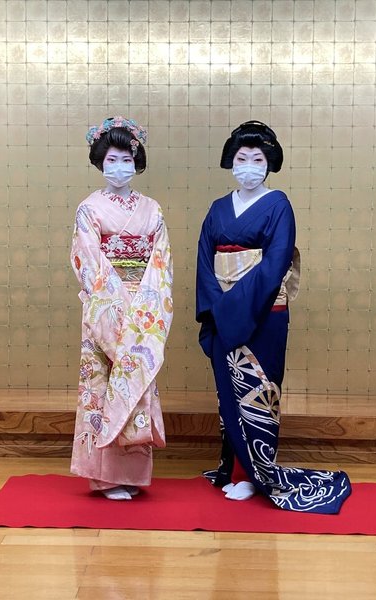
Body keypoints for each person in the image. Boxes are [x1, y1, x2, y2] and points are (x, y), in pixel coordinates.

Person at [195, 120, 351, 512]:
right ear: (231, 162)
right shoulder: (217, 209)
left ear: (269, 165)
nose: (249, 166)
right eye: (242, 158)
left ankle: (256, 475)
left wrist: (232, 306)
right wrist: (218, 306)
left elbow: (276, 261)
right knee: (229, 393)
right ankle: (236, 471)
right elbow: (204, 261)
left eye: (257, 159)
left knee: (260, 392)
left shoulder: (279, 205)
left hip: (265, 311)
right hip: (223, 310)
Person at [70, 116, 173, 500]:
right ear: (100, 162)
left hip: (143, 305)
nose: (119, 167)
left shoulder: (151, 209)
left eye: (126, 160)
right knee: (102, 386)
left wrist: (143, 307)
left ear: (136, 162)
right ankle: (105, 477)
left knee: (137, 383)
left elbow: (160, 263)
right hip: (106, 307)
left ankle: (133, 475)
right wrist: (116, 305)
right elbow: (88, 261)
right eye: (111, 160)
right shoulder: (89, 208)